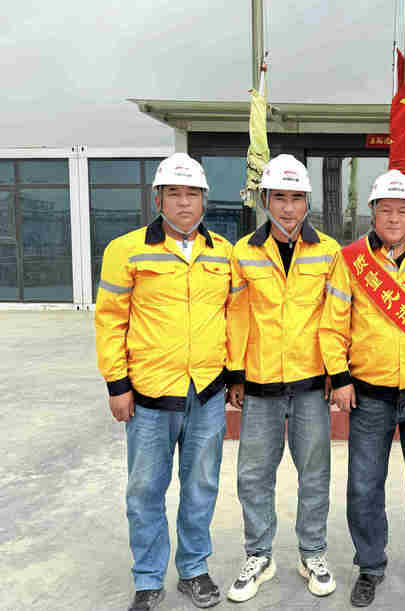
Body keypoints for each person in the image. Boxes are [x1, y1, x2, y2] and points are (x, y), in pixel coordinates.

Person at [95, 153, 238, 611]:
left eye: (192, 194)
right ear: (157, 199)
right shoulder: (126, 250)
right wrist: (117, 384)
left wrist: (234, 373)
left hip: (207, 393)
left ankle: (194, 569)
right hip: (150, 396)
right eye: (173, 193)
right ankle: (148, 577)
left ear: (204, 201)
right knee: (145, 490)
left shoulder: (223, 252)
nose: (183, 202)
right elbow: (110, 320)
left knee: (201, 487)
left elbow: (234, 317)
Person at [320, 170, 405, 608]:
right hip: (369, 396)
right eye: (386, 210)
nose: (394, 218)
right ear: (373, 212)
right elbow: (333, 325)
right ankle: (370, 566)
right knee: (364, 486)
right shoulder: (350, 261)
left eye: (402, 210)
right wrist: (340, 377)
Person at [225, 154, 341, 602]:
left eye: (296, 198)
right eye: (279, 198)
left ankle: (312, 553)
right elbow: (237, 316)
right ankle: (259, 555)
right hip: (260, 386)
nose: (288, 208)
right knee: (254, 475)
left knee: (314, 474)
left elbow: (336, 317)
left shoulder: (328, 252)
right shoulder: (243, 252)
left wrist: (335, 370)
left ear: (307, 201)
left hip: (311, 385)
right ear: (265, 200)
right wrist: (236, 372)